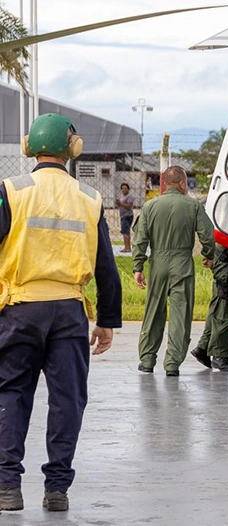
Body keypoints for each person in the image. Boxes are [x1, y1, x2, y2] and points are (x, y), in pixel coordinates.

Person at [0, 113, 122, 513]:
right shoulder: (89, 198)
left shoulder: (11, 190)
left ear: (29, 146)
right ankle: (56, 488)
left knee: (12, 393)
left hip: (19, 309)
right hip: (69, 312)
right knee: (67, 400)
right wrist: (106, 320)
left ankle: (7, 487)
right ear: (73, 148)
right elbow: (106, 265)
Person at [133, 165, 215, 376]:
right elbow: (207, 234)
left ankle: (147, 359)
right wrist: (209, 254)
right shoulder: (193, 205)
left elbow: (140, 239)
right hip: (182, 263)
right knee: (181, 313)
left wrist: (138, 267)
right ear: (181, 183)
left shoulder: (150, 206)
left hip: (158, 263)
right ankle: (172, 364)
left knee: (153, 311)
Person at [190, 245, 228, 373]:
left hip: (224, 260)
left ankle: (203, 347)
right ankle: (219, 355)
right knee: (225, 310)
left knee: (217, 306)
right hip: (227, 262)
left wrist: (209, 253)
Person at [116, 182, 135, 252]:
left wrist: (121, 203)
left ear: (128, 189)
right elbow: (119, 206)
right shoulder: (121, 197)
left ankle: (127, 247)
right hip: (122, 215)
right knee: (125, 232)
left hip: (127, 215)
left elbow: (129, 206)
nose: (124, 190)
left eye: (125, 188)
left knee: (125, 232)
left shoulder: (129, 196)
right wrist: (118, 203)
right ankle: (127, 246)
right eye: (122, 188)